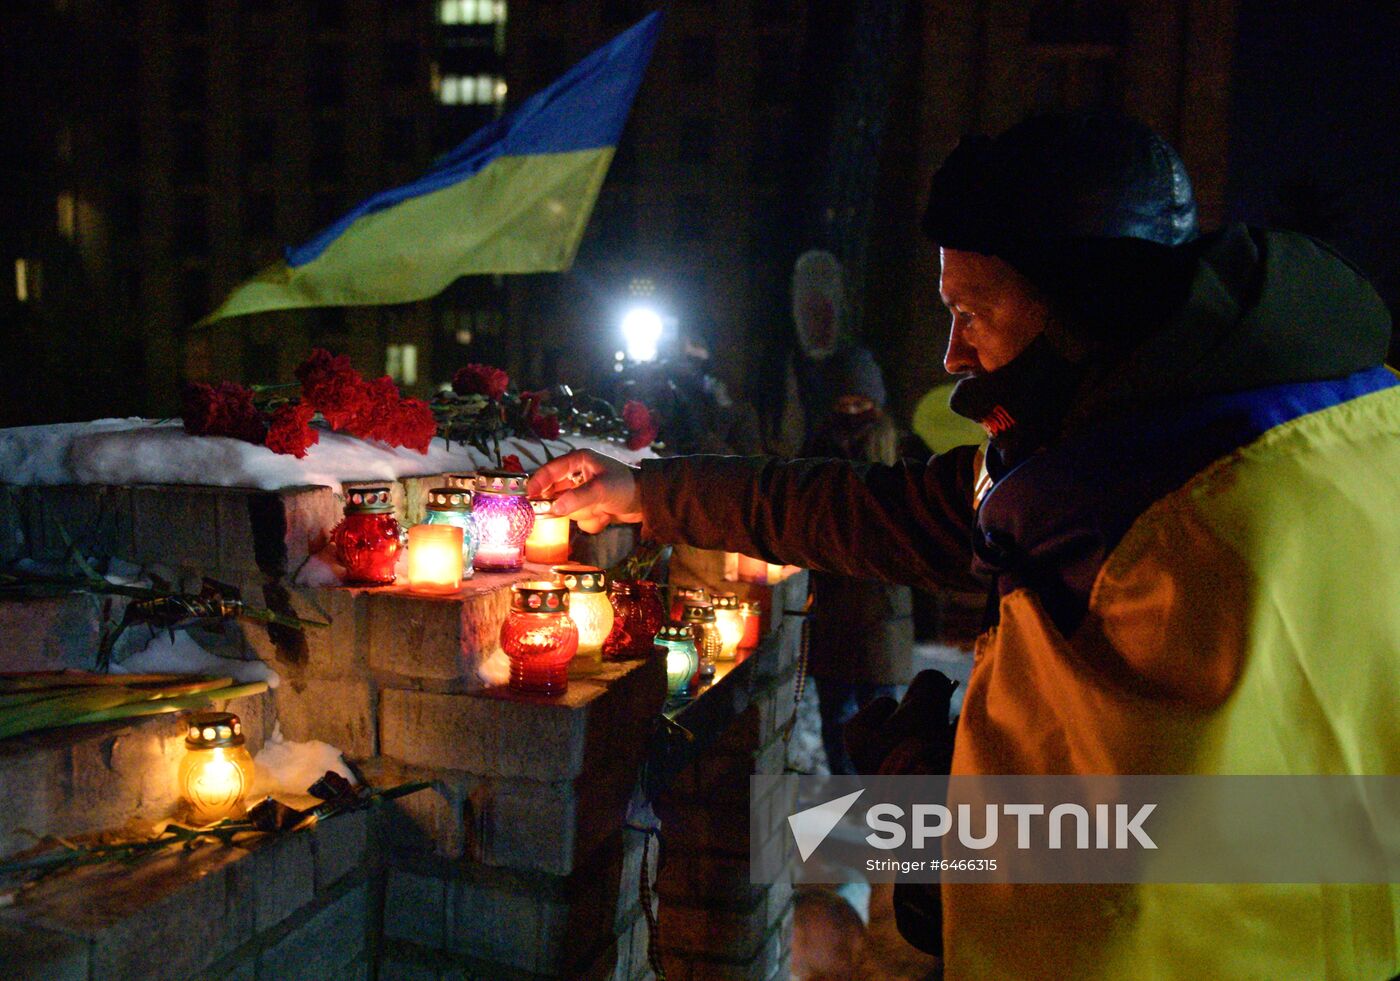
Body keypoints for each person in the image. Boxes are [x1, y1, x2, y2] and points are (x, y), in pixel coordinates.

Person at [529, 111, 1400, 979]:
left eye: (973, 313)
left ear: (1078, 309)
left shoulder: (1167, 536)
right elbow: (887, 512)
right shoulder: (1175, 428)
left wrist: (922, 801)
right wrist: (645, 490)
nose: (952, 354)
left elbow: (1136, 878)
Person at [805, 396, 913, 775]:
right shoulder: (818, 445)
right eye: (844, 398)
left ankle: (877, 804)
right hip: (834, 602)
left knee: (878, 718)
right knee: (836, 716)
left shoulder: (895, 451)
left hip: (880, 607)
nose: (850, 409)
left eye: (859, 399)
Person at [765, 249, 887, 456]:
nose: (817, 321)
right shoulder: (782, 366)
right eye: (809, 311)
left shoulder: (856, 367)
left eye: (824, 311)